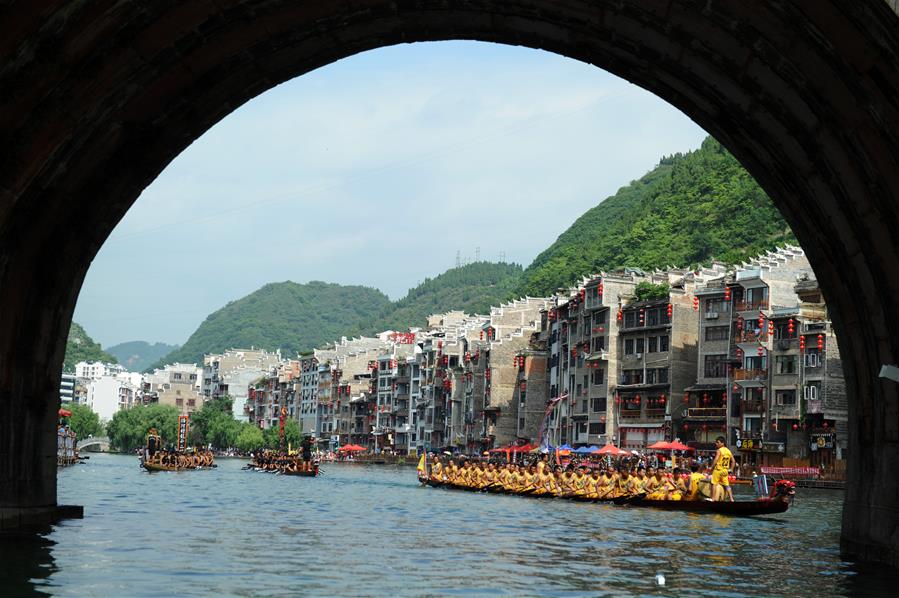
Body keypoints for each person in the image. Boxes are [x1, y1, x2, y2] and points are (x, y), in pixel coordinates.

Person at [711, 436, 734, 502]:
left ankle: (712, 499)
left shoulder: (719, 450)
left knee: (713, 484)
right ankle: (731, 499)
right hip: (725, 471)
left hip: (718, 470)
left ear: (722, 443)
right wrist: (731, 469)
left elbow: (716, 459)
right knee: (727, 485)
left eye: (718, 442)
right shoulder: (728, 451)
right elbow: (733, 461)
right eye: (716, 442)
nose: (716, 444)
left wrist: (711, 467)